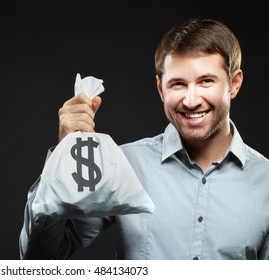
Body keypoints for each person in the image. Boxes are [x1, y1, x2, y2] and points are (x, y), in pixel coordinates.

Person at [19, 18, 269, 260]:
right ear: (161, 89)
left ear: (233, 84)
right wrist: (64, 159)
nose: (191, 101)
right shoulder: (122, 164)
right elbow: (42, 258)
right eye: (178, 84)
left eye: (206, 81)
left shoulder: (265, 181)